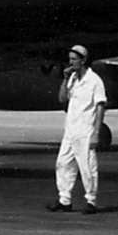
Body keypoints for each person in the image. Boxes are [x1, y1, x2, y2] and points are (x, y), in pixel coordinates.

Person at [47, 44, 106, 215]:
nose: (71, 63)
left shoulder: (95, 81)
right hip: (70, 130)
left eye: (74, 59)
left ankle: (91, 201)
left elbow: (101, 106)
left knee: (87, 167)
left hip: (86, 131)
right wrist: (65, 79)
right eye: (70, 59)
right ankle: (64, 200)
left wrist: (96, 132)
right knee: (63, 164)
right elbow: (61, 99)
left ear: (83, 60)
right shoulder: (72, 79)